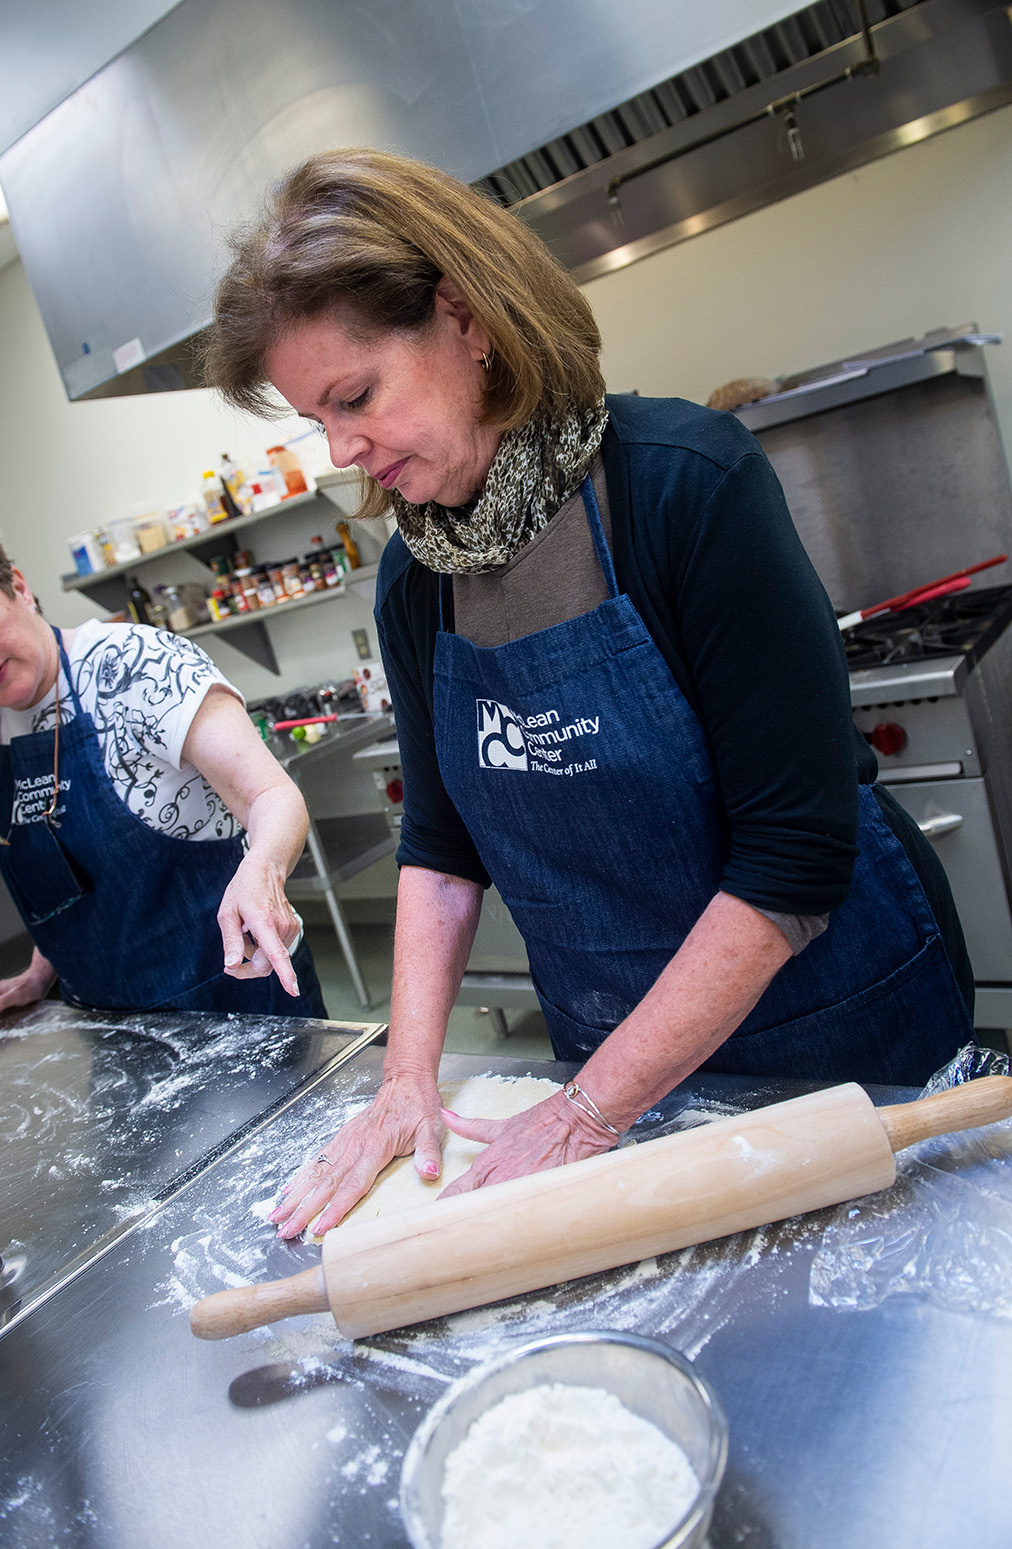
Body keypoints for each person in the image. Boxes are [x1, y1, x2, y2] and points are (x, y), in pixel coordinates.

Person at [206, 147, 975, 1239]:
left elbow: (793, 858)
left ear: (464, 319)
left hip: (832, 1030)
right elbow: (438, 846)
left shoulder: (683, 487)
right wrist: (405, 1077)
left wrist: (583, 1114)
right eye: (313, 421)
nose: (341, 449)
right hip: (609, 1053)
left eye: (356, 396)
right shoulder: (415, 581)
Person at [0, 548, 326, 1018]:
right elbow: (64, 879)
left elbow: (272, 795)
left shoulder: (139, 666)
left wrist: (264, 870)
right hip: (107, 1023)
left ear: (19, 587)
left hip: (236, 998)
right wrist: (40, 970)